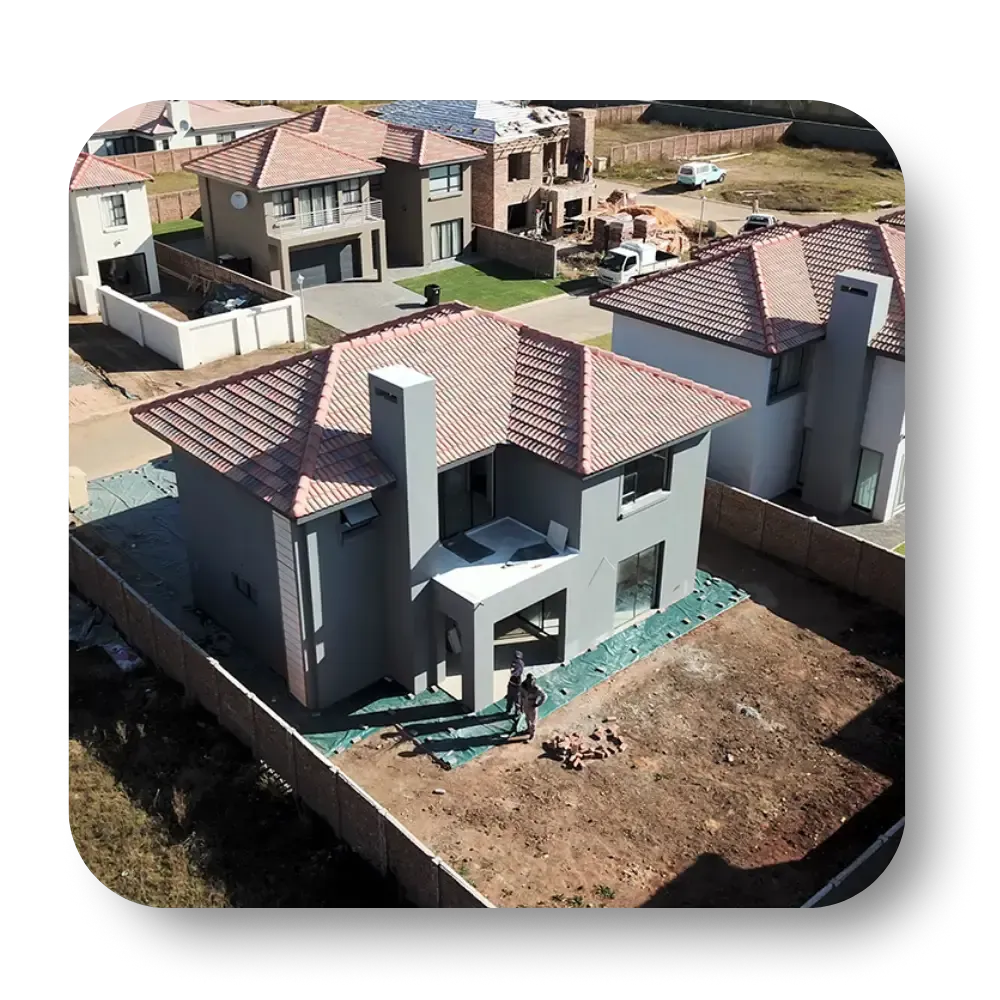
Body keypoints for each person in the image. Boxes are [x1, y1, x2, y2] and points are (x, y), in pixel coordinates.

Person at [519, 673, 547, 741]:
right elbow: (521, 695)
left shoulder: (536, 689)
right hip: (525, 704)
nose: (530, 682)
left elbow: (544, 696)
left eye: (532, 680)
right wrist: (521, 705)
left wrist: (538, 704)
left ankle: (532, 735)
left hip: (532, 705)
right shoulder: (523, 686)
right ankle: (528, 730)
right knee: (527, 718)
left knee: (533, 722)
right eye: (529, 680)